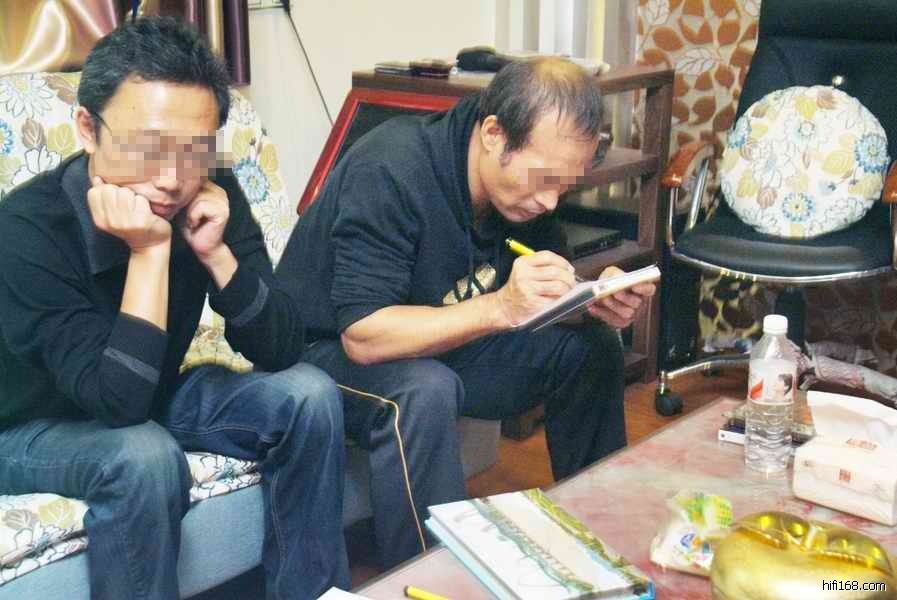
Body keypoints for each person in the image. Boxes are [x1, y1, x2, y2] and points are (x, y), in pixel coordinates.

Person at [0, 17, 348, 600]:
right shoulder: (26, 232)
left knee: (308, 394)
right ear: (88, 129)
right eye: (146, 147)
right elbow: (120, 407)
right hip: (29, 425)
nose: (170, 179)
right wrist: (149, 251)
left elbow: (282, 347)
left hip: (150, 390)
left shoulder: (210, 192)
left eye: (194, 151)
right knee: (143, 455)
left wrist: (216, 255)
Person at [276, 57, 656, 568]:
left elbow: (540, 294)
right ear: (494, 135)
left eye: (564, 186)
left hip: (436, 335)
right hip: (321, 351)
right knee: (423, 388)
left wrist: (592, 301)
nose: (550, 202)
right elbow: (364, 336)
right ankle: (435, 577)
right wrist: (498, 307)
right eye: (544, 180)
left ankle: (599, 545)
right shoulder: (392, 170)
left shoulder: (523, 193)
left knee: (591, 348)